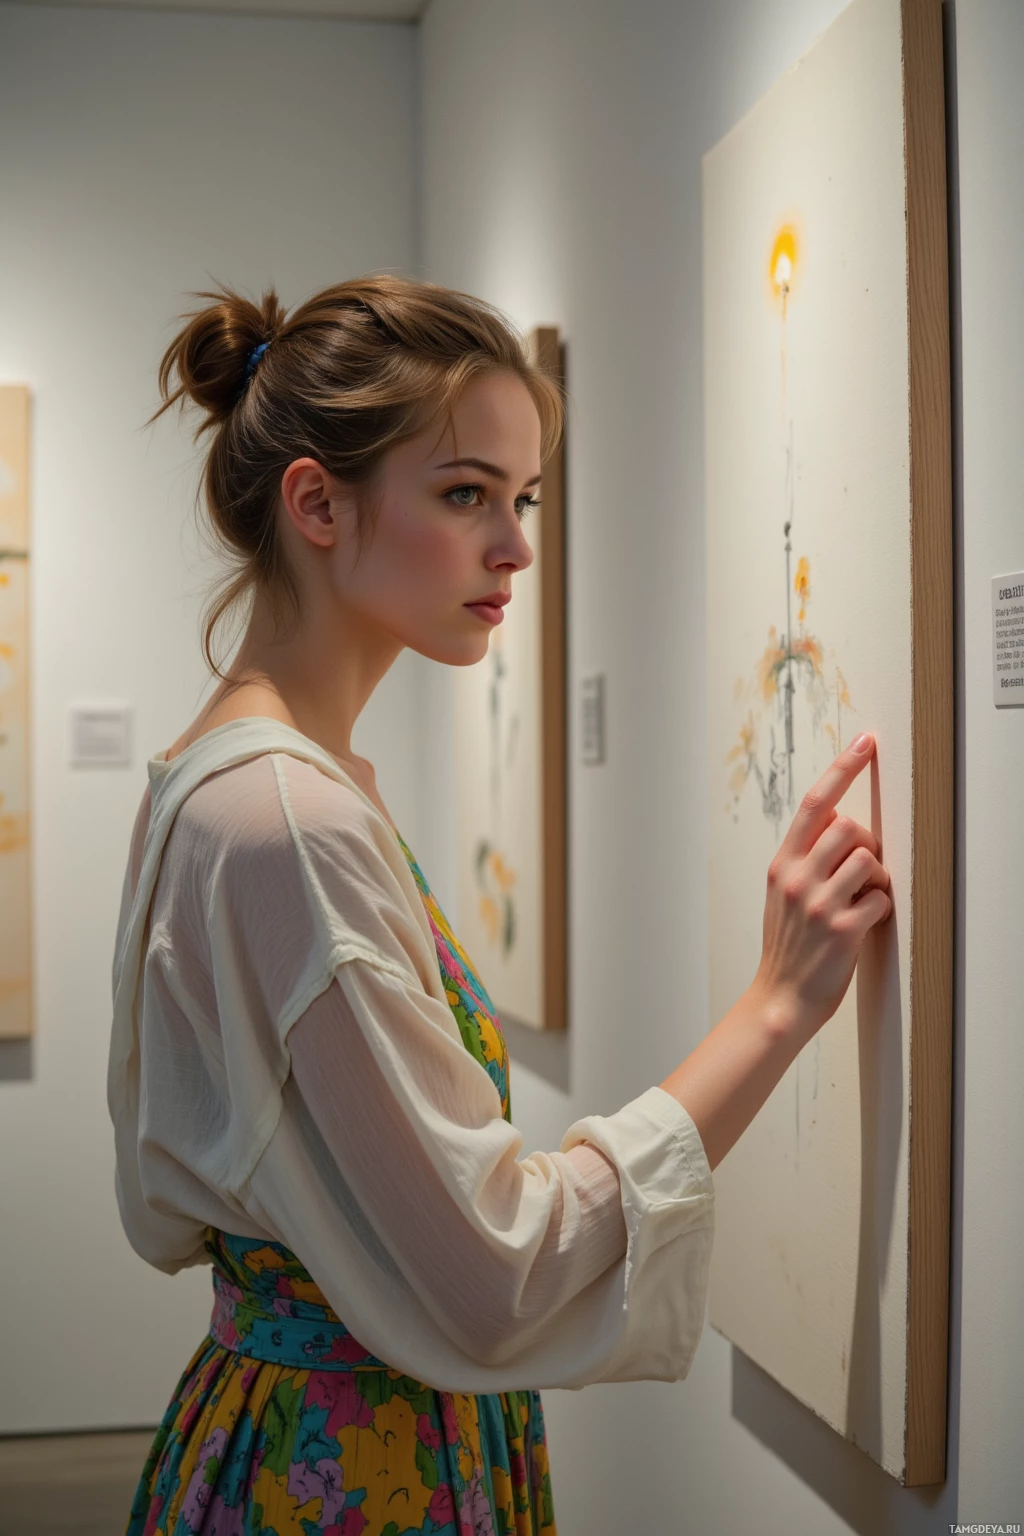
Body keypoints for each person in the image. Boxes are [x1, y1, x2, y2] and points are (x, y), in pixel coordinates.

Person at [108, 275, 891, 1536]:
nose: (517, 548)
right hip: (348, 1469)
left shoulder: (243, 777)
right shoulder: (285, 818)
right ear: (317, 503)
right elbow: (494, 1270)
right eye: (466, 494)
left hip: (307, 1422)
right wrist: (776, 1007)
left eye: (520, 500)